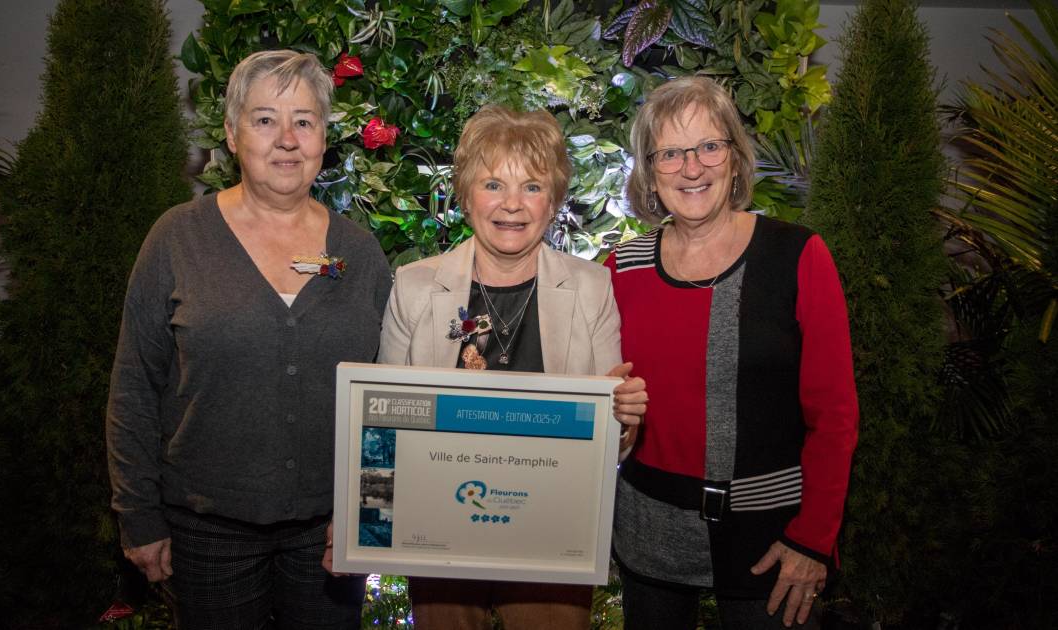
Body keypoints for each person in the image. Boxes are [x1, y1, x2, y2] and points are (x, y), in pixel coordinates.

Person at [106, 50, 391, 629]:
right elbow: (134, 385)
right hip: (206, 531)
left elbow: (387, 397)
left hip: (331, 533)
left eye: (304, 122)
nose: (287, 139)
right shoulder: (177, 238)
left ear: (322, 139)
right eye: (265, 119)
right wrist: (138, 516)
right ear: (233, 136)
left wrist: (371, 514)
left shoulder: (359, 253)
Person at [374, 105, 648, 629]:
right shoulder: (413, 286)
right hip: (441, 535)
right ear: (466, 194)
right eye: (493, 184)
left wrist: (624, 415)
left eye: (532, 187)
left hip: (550, 537)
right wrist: (377, 522)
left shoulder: (592, 288)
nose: (512, 205)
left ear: (553, 202)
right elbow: (384, 425)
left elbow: (611, 440)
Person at [606, 76, 859, 629]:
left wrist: (814, 541)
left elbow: (835, 417)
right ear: (649, 175)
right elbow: (597, 396)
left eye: (709, 147)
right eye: (670, 153)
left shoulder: (798, 256)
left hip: (773, 542)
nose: (691, 168)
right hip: (650, 538)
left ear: (735, 160)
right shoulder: (619, 270)